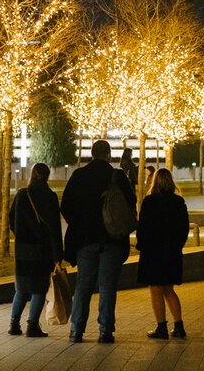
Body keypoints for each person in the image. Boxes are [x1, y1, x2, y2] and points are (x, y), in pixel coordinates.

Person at [61, 139, 136, 344]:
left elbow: (65, 205)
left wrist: (78, 222)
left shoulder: (79, 175)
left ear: (92, 154)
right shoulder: (117, 176)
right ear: (108, 155)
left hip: (85, 239)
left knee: (83, 285)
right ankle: (105, 331)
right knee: (107, 287)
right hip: (111, 238)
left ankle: (76, 330)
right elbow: (132, 202)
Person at [8, 161, 62, 337]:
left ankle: (14, 324)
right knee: (39, 287)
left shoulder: (22, 195)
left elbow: (11, 219)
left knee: (22, 287)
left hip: (23, 249)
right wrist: (57, 255)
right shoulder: (50, 197)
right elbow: (54, 228)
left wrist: (21, 235)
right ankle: (32, 325)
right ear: (47, 176)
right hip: (42, 250)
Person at [137, 168, 191, 339]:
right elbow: (183, 228)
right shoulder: (178, 202)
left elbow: (143, 227)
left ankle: (161, 327)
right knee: (169, 289)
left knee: (155, 289)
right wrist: (176, 246)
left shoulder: (149, 202)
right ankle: (179, 325)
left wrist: (142, 246)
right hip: (172, 252)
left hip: (153, 252)